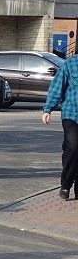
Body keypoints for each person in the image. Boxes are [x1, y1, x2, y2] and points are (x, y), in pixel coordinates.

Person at [42, 54, 78, 200]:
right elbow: (57, 87)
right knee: (73, 147)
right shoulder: (70, 64)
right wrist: (48, 109)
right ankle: (66, 185)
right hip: (72, 114)